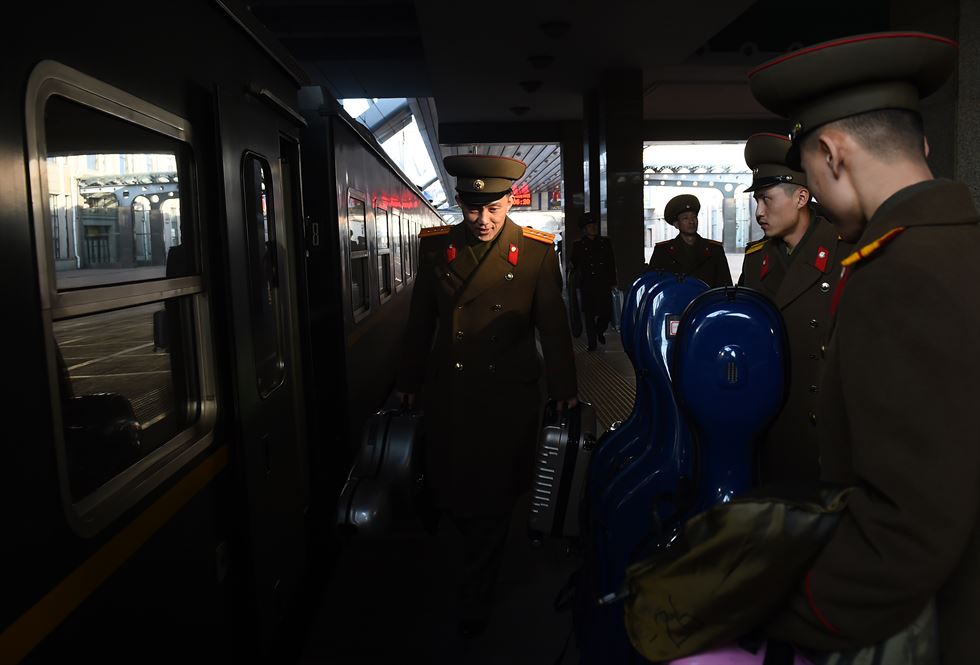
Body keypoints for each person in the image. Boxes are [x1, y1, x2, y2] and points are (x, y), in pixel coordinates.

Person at [748, 32, 980, 661]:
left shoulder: (897, 274)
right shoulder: (957, 244)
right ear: (924, 146)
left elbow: (909, 528)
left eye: (812, 173)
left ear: (831, 154)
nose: (814, 194)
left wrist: (775, 608)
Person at [395, 154, 579, 639]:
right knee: (451, 490)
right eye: (474, 209)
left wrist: (564, 391)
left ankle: (475, 597)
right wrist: (408, 381)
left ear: (510, 200)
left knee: (492, 498)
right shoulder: (437, 247)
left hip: (506, 398)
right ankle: (469, 568)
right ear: (459, 203)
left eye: (494, 208)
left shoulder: (537, 251)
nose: (484, 220)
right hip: (448, 393)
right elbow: (420, 322)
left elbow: (554, 329)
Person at [738, 133, 850, 484]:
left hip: (824, 431)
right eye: (756, 201)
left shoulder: (845, 253)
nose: (759, 212)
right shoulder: (756, 260)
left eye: (767, 199)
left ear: (801, 197)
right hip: (770, 423)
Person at [647, 194, 732, 287]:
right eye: (685, 218)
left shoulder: (715, 250)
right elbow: (653, 285)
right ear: (676, 224)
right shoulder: (663, 251)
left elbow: (725, 286)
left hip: (707, 300)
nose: (691, 221)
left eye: (694, 217)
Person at [570, 212, 618, 351]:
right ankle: (592, 343)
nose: (593, 228)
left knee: (606, 313)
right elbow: (573, 264)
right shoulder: (578, 245)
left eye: (594, 225)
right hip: (587, 285)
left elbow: (611, 263)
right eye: (589, 226)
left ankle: (599, 330)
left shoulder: (605, 242)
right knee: (589, 315)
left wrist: (613, 282)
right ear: (584, 229)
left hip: (603, 283)